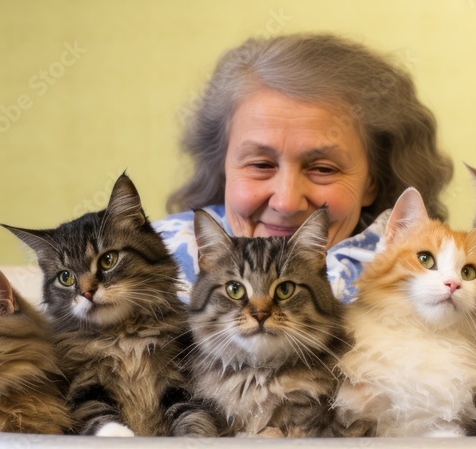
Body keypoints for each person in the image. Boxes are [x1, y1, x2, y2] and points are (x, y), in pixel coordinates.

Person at [153, 32, 453, 302]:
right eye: (261, 164)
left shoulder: (439, 280)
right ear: (223, 170)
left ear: (372, 181)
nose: (286, 202)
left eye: (323, 169)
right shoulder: (151, 260)